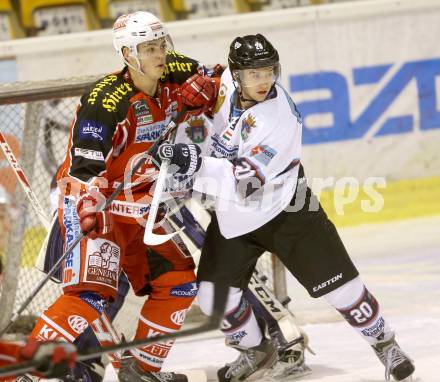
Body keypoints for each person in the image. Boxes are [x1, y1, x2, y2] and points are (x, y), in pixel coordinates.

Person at [192, 34, 415, 382]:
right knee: (212, 298)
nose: (264, 80)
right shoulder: (221, 84)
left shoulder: (279, 119)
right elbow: (190, 75)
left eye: (269, 71)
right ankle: (253, 349)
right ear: (236, 76)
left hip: (288, 209)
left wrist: (192, 163)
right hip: (236, 218)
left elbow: (245, 183)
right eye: (254, 73)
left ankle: (385, 343)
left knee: (342, 289)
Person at [28, 11, 217, 382]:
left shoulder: (174, 69)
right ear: (128, 54)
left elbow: (215, 76)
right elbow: (85, 167)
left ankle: (140, 371)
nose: (160, 53)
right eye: (149, 47)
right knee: (90, 295)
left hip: (140, 202)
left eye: (161, 44)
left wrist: (210, 86)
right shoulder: (106, 100)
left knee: (179, 282)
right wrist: (89, 207)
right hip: (89, 198)